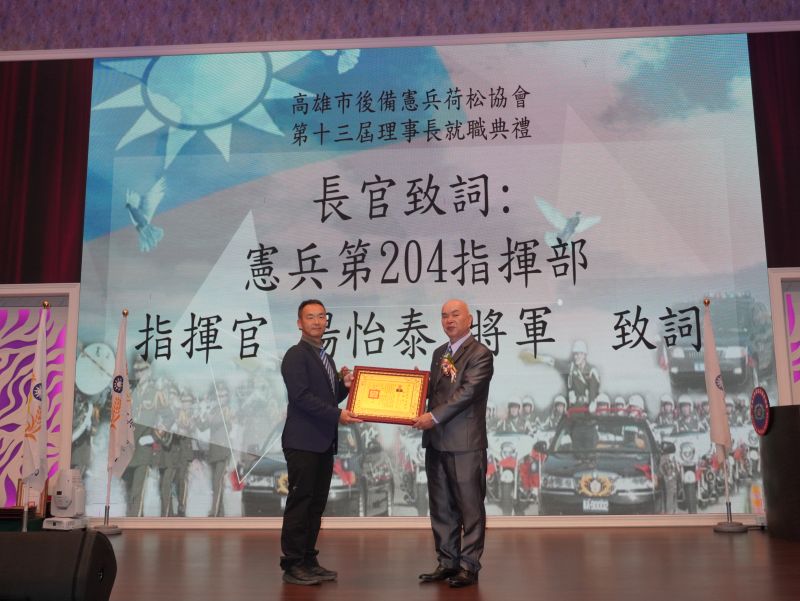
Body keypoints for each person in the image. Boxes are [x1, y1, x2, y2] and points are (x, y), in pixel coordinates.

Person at [413, 299, 494, 588]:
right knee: (441, 507)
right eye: (444, 315)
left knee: (470, 508)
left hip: (465, 444)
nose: (449, 320)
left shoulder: (480, 354)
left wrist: (433, 417)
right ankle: (447, 562)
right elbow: (437, 392)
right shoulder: (440, 353)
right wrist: (414, 389)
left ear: (469, 319)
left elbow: (466, 393)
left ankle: (469, 566)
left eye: (455, 315)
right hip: (436, 442)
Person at [279, 299, 361, 586]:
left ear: (327, 321)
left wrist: (344, 388)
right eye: (310, 317)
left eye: (321, 316)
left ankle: (308, 560)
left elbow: (327, 398)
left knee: (315, 505)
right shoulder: (295, 356)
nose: (317, 321)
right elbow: (301, 397)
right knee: (300, 503)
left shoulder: (326, 357)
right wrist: (338, 414)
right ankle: (292, 564)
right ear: (299, 323)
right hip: (303, 442)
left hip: (323, 442)